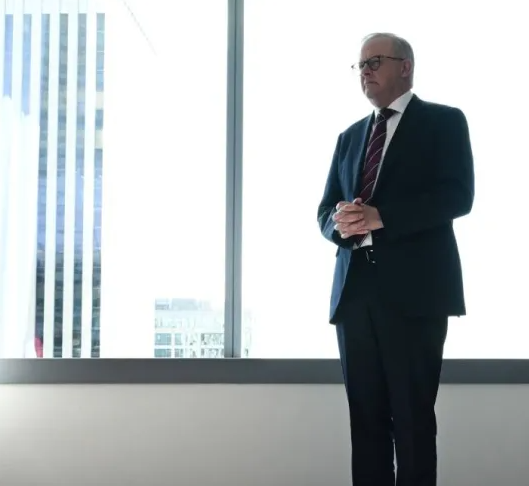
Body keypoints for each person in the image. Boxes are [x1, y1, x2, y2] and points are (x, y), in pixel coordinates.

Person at [317, 32, 474, 486]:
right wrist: (341, 222)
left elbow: (457, 196)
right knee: (365, 424)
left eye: (375, 62)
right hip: (354, 296)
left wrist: (381, 217)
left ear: (405, 66)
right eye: (360, 65)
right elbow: (325, 210)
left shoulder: (444, 122)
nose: (365, 71)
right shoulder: (350, 137)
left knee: (412, 421)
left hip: (415, 296)